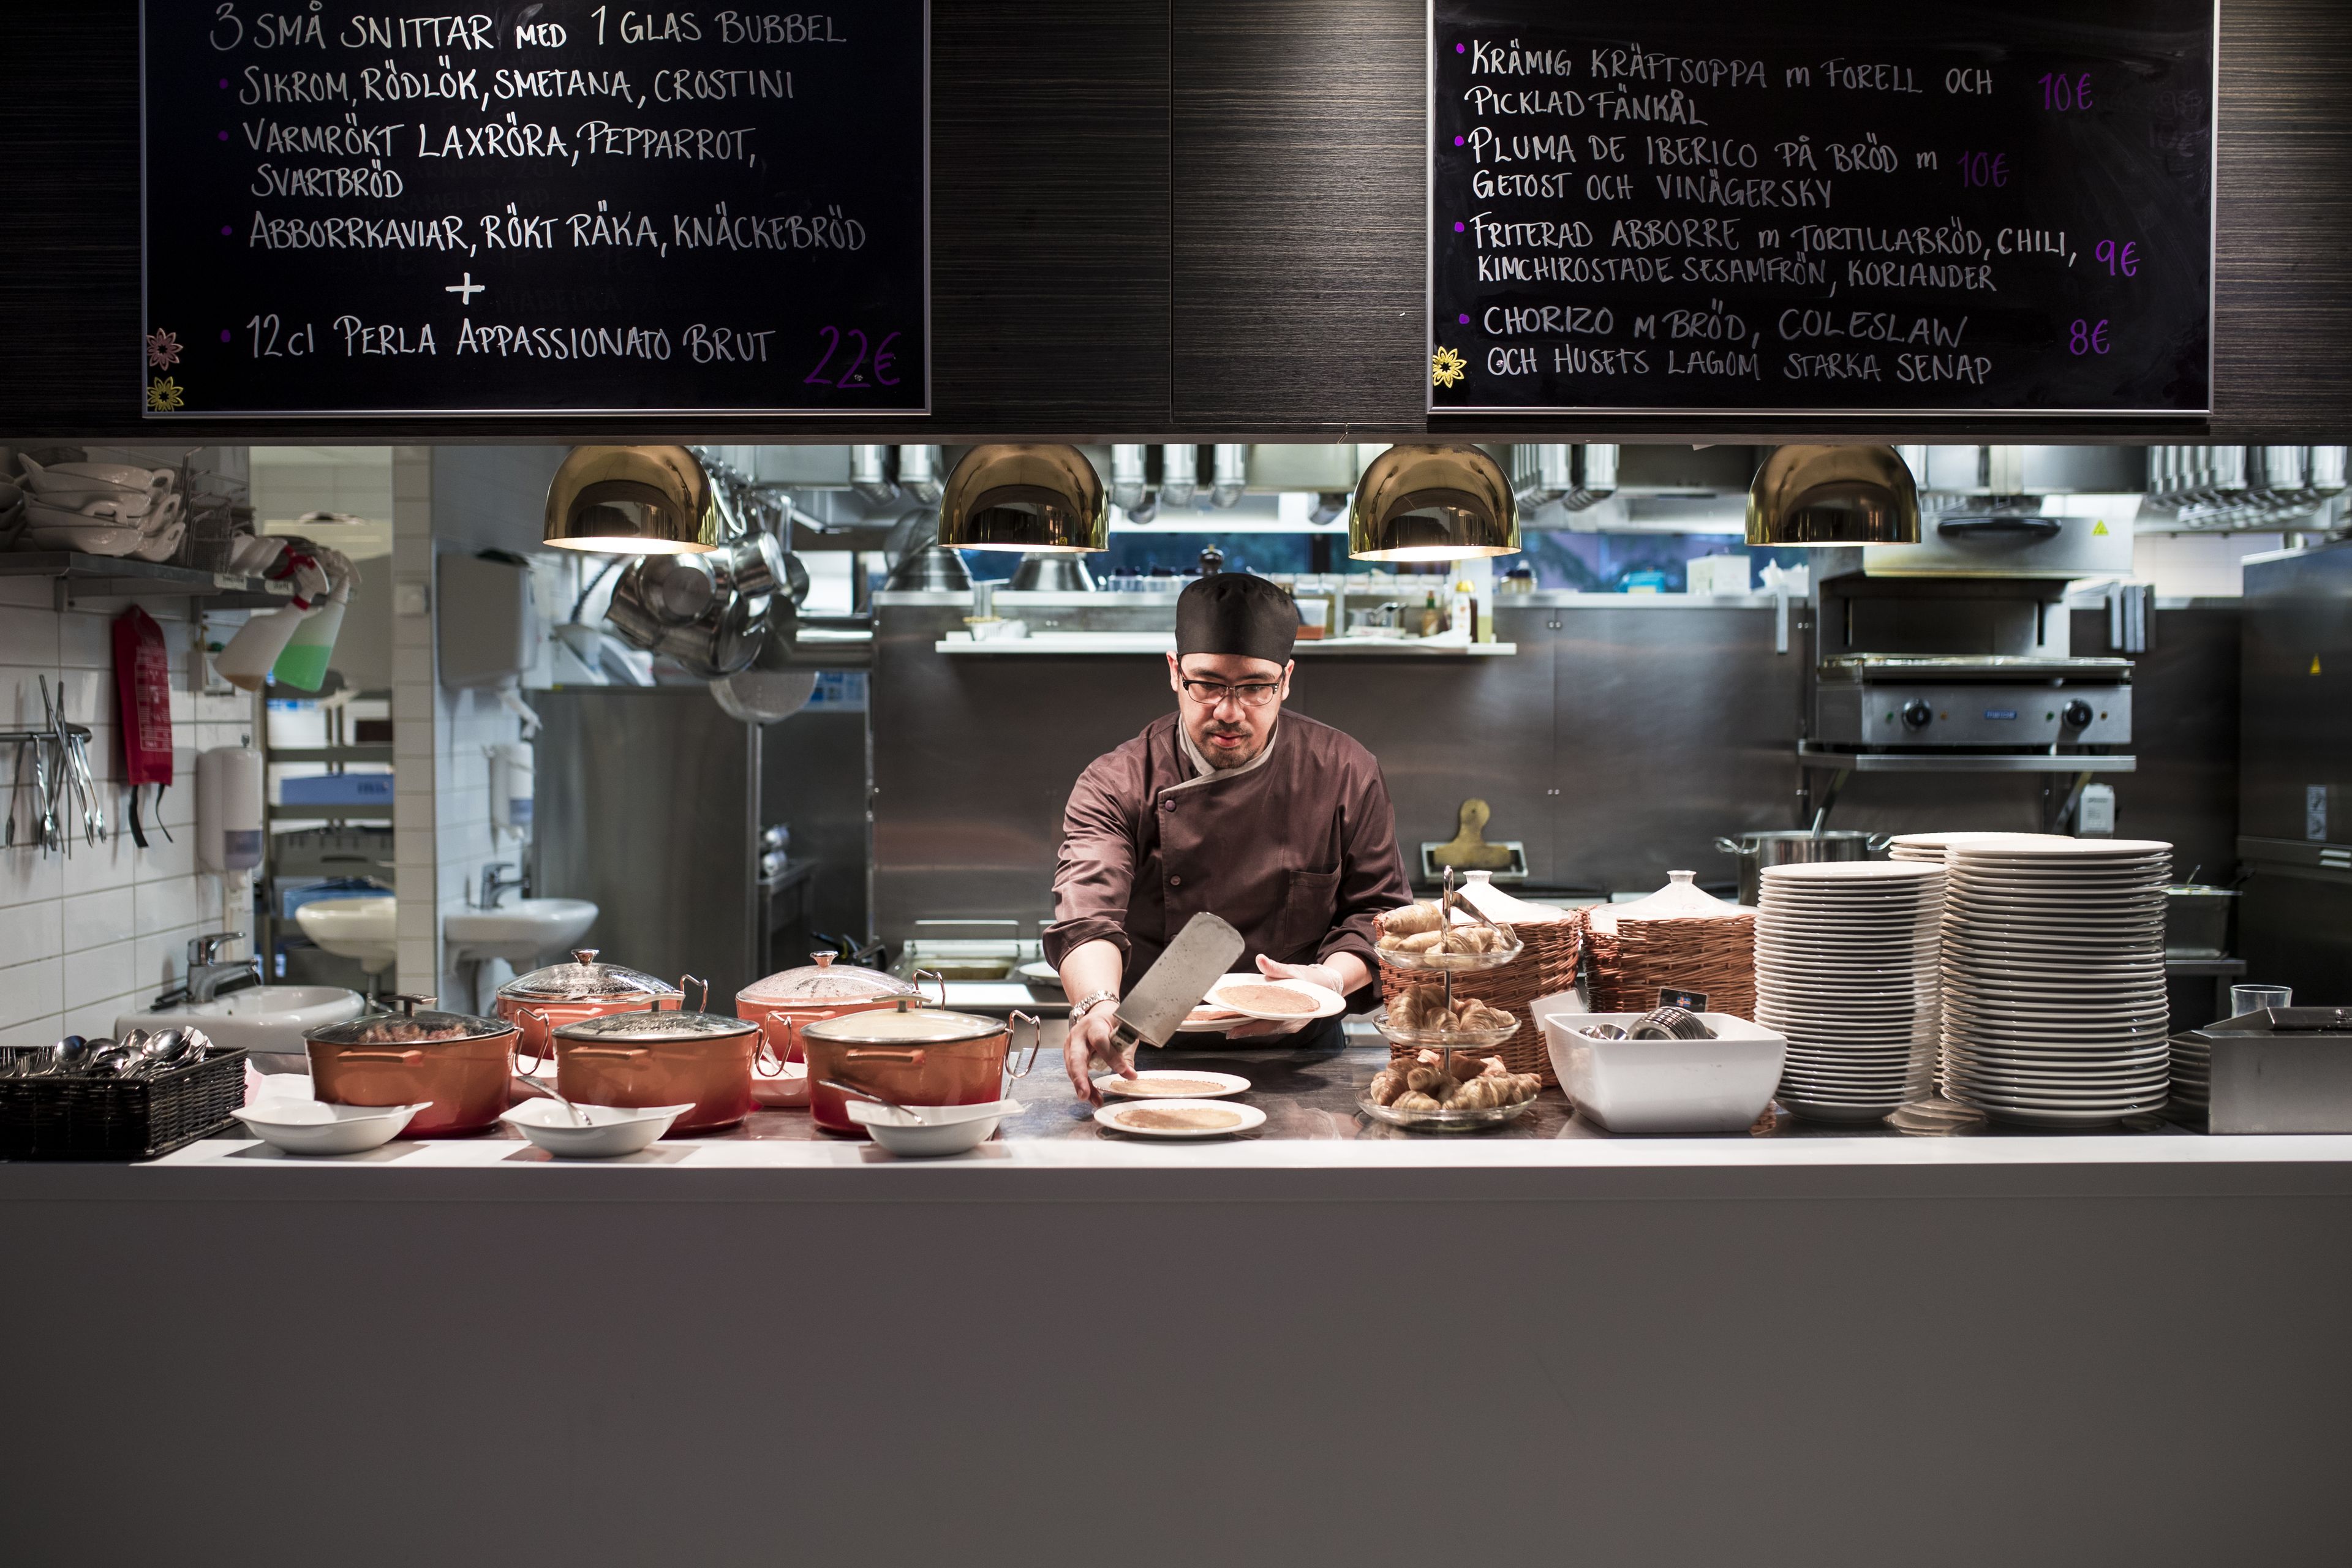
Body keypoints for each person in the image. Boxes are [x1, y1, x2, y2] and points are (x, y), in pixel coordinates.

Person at [1044, 573, 1412, 1103]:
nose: (1229, 711)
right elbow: (1087, 915)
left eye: (1255, 687)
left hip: (1305, 1061)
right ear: (1175, 672)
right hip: (1148, 1059)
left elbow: (1379, 914)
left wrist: (1326, 983)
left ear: (1285, 680)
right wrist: (1097, 1003)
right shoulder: (1116, 780)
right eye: (1208, 684)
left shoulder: (1345, 771)